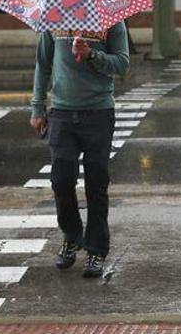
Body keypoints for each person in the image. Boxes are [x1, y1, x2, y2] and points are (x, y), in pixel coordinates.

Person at [29, 23, 130, 278]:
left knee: (96, 184)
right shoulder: (54, 20)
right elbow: (43, 63)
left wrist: (91, 55)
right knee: (61, 181)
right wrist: (37, 106)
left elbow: (122, 63)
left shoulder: (111, 20)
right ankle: (72, 236)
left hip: (98, 112)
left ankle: (96, 249)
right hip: (62, 112)